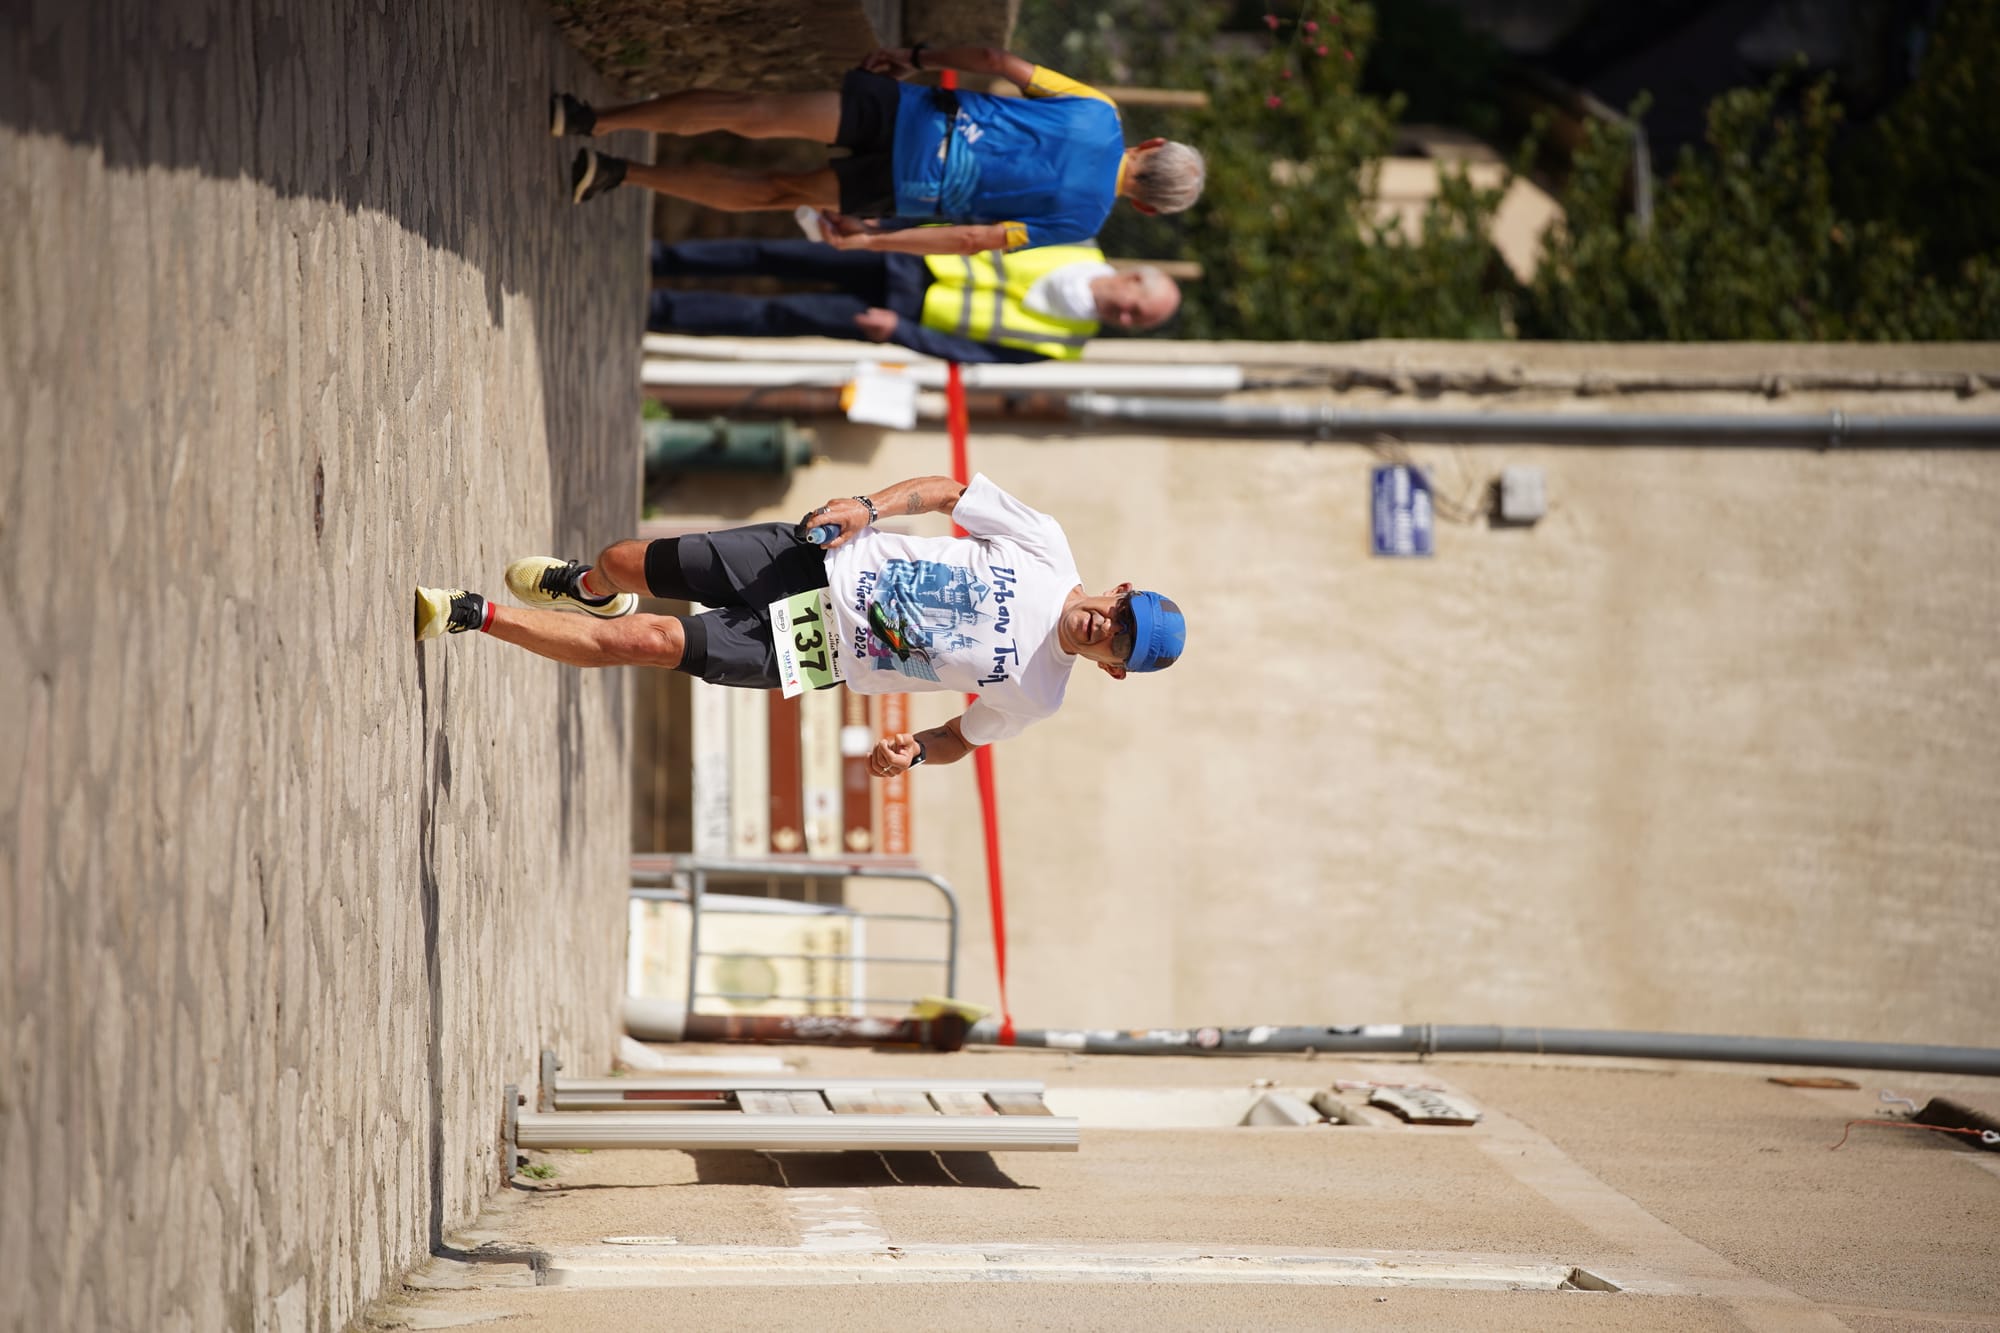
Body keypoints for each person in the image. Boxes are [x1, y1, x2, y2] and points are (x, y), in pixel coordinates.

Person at [415, 475, 1186, 777]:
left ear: (1113, 667)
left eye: (1121, 638)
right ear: (1119, 589)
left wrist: (913, 751)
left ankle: (471, 614)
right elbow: (951, 493)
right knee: (626, 560)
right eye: (1123, 609)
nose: (1107, 623)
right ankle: (591, 586)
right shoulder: (1048, 546)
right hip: (815, 562)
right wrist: (867, 509)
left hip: (819, 649)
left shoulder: (1038, 695)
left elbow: (961, 737)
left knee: (648, 643)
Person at [550, 44, 1205, 254]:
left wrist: (914, 57)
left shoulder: (1100, 111)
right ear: (1145, 210)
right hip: (908, 187)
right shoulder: (1083, 222)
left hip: (913, 114)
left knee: (756, 113)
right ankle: (621, 173)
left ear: (1149, 143)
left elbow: (999, 60)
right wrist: (872, 241)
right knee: (778, 190)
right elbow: (974, 240)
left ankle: (594, 119)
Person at [647, 237, 1180, 362]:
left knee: (776, 316)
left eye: (1135, 323)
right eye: (1136, 306)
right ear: (1134, 278)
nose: (1125, 316)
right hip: (908, 253)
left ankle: (660, 311)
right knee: (774, 254)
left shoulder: (1066, 345)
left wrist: (898, 332)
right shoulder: (1077, 238)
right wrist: (899, 228)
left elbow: (970, 352)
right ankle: (664, 257)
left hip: (901, 312)